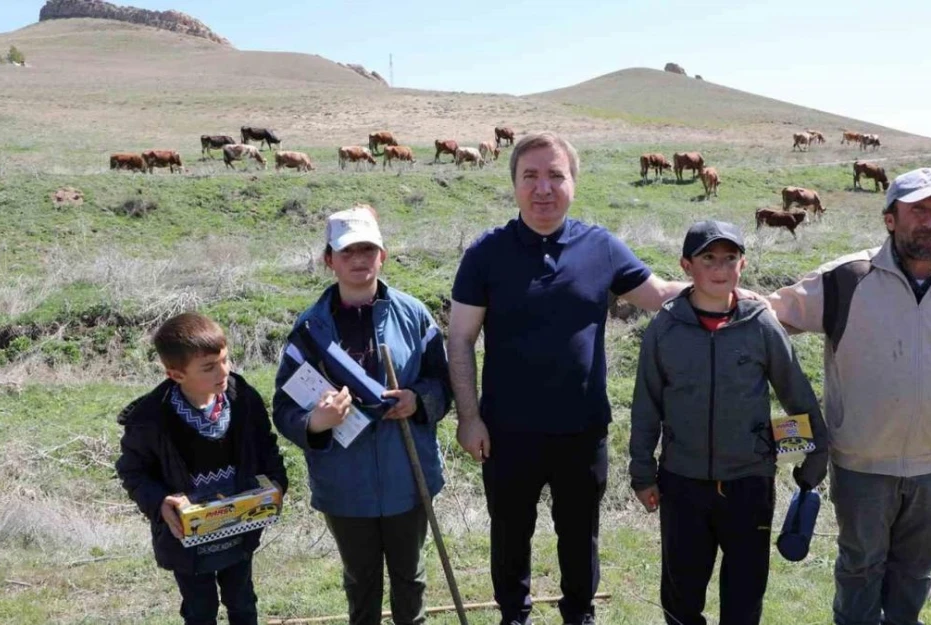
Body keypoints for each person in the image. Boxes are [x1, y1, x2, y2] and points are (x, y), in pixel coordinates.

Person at [448, 132, 755, 625]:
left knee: (579, 536)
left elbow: (658, 294)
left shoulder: (600, 247)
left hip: (582, 429)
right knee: (509, 534)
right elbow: (460, 338)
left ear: (573, 183)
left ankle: (579, 617)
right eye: (531, 176)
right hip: (507, 431)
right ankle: (513, 617)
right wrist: (469, 417)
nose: (543, 188)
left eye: (555, 175)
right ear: (514, 185)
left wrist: (736, 292)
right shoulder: (487, 254)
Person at [767, 168, 931, 625]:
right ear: (890, 219)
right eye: (918, 210)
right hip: (863, 465)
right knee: (859, 568)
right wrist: (700, 294)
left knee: (915, 572)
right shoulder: (848, 279)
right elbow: (768, 313)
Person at [629, 220, 829, 625]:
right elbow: (645, 406)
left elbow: (796, 394)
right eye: (708, 258)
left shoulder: (760, 323)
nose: (720, 268)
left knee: (743, 597)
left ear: (743, 263)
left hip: (749, 485)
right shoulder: (665, 328)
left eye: (730, 258)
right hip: (682, 483)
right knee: (681, 599)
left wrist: (814, 455)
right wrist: (643, 472)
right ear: (687, 265)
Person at [272, 206, 451, 625]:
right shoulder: (309, 331)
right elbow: (284, 408)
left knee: (411, 578)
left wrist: (417, 399)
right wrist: (315, 422)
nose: (359, 259)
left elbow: (443, 385)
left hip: (408, 475)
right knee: (361, 581)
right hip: (344, 483)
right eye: (347, 250)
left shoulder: (415, 317)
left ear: (382, 256)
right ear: (328, 259)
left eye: (368, 249)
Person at [115, 312, 288, 625]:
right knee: (200, 609)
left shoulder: (242, 398)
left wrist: (276, 485)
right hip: (187, 541)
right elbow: (133, 471)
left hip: (239, 528)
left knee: (243, 602)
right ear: (176, 374)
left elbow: (266, 448)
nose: (223, 371)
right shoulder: (151, 419)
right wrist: (159, 502)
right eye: (208, 367)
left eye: (224, 359)